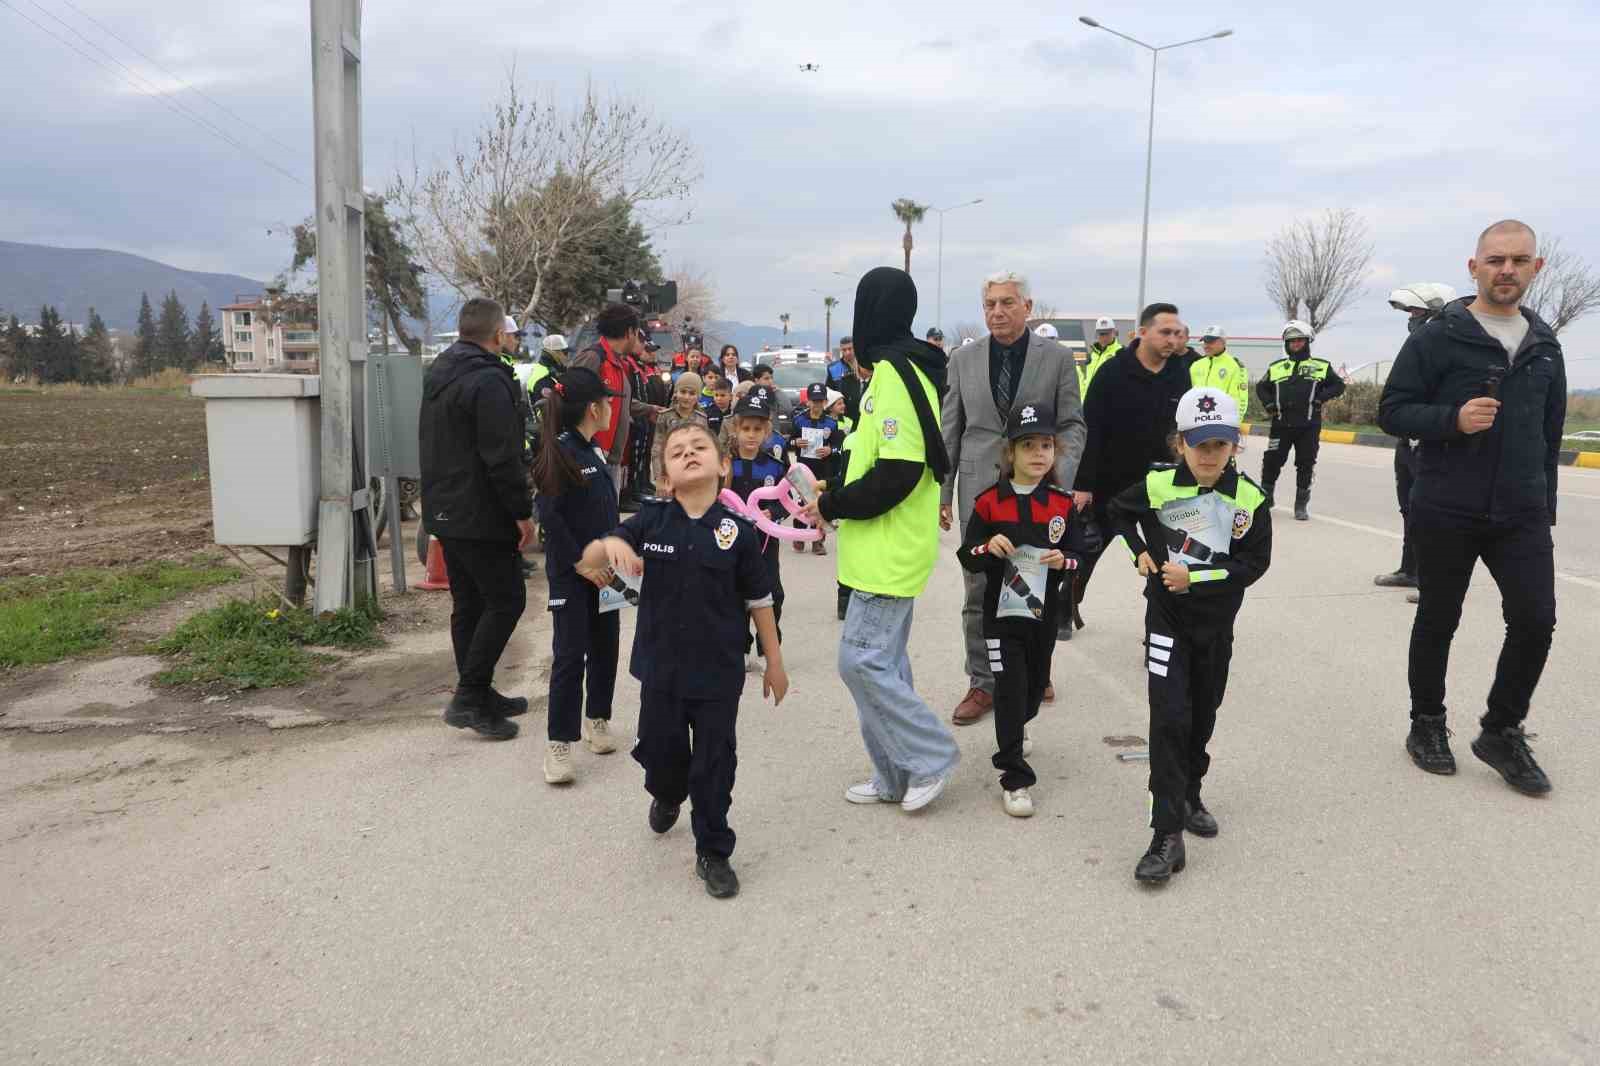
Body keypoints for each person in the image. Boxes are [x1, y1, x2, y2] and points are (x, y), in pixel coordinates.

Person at [1379, 219, 1563, 797]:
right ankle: (1426, 723)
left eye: (1519, 260)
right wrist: (1452, 421)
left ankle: (1502, 730)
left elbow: (1550, 434)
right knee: (1439, 617)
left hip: (1520, 510)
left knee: (1535, 621)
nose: (1506, 269)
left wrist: (1544, 504)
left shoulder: (1545, 343)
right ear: (1474, 267)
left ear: (1537, 269)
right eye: (1495, 260)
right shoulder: (1439, 334)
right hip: (1447, 504)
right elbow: (1394, 411)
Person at [579, 421, 788, 899]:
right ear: (665, 477)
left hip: (718, 674)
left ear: (723, 466)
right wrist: (608, 561)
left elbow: (760, 602)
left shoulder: (739, 533)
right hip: (660, 671)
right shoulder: (649, 522)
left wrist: (773, 662)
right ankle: (667, 792)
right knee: (661, 752)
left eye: (700, 447)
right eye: (677, 451)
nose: (690, 453)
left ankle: (713, 850)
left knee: (715, 764)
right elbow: (598, 558)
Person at [803, 267, 959, 814]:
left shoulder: (895, 373)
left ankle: (931, 755)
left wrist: (833, 504)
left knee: (861, 662)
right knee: (885, 664)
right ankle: (892, 772)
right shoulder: (896, 371)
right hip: (879, 547)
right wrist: (832, 485)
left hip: (889, 551)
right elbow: (875, 454)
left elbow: (899, 472)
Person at [1107, 387, 1272, 884]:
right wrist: (1137, 551)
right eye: (1198, 445)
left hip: (1216, 627)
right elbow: (1118, 511)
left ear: (1234, 447)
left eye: (1219, 446)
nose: (1208, 456)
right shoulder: (1158, 485)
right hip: (1167, 623)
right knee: (1168, 717)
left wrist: (1196, 578)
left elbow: (1254, 564)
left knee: (1202, 714)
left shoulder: (1248, 498)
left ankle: (1190, 793)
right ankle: (1166, 832)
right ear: (1180, 443)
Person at [940, 271, 1086, 726]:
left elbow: (1072, 425)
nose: (997, 312)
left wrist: (1057, 475)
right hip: (979, 484)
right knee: (979, 583)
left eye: (1006, 302)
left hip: (1040, 488)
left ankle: (1034, 670)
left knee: (1037, 577)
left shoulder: (1058, 359)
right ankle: (982, 683)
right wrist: (944, 492)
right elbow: (952, 426)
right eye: (989, 305)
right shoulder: (963, 359)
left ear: (1027, 305)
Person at [956, 404, 1081, 818]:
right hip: (1000, 619)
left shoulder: (1062, 504)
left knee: (1033, 689)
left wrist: (1066, 561)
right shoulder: (990, 503)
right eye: (1028, 446)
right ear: (1010, 453)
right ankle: (1014, 777)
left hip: (1042, 618)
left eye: (1046, 445)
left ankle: (1017, 724)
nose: (1039, 454)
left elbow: (1082, 550)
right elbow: (968, 555)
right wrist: (986, 547)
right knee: (1008, 691)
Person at [419, 297, 534, 741]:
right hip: (480, 511)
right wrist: (522, 513)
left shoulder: (441, 371)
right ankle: (469, 697)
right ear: (496, 335)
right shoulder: (489, 380)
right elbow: (501, 458)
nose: (510, 337)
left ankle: (480, 692)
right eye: (507, 330)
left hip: (444, 508)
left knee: (469, 604)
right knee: (507, 600)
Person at [1071, 303, 1194, 634]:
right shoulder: (1112, 374)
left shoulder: (1179, 373)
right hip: (1110, 484)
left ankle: (1160, 630)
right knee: (1084, 554)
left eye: (1177, 332)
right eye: (1164, 332)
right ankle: (1066, 603)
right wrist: (1083, 485)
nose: (1173, 339)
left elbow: (1182, 431)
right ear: (1142, 333)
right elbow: (1091, 430)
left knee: (1164, 560)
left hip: (1159, 487)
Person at [531, 367, 623, 784]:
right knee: (570, 657)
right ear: (593, 407)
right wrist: (582, 564)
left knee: (606, 648)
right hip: (573, 575)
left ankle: (597, 720)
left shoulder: (594, 452)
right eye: (606, 401)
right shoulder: (562, 452)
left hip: (608, 574)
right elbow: (550, 518)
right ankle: (559, 745)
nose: (610, 407)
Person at [1376, 284, 1457, 593]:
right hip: (1408, 441)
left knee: (1434, 512)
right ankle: (1410, 570)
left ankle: (1435, 579)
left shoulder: (1450, 349)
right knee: (1409, 508)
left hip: (1434, 442)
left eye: (1417, 312)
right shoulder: (1417, 347)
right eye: (1409, 313)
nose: (1412, 318)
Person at [1256, 320, 1345, 520]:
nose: (1295, 344)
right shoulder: (1277, 367)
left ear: (1307, 342)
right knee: (1271, 461)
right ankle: (1266, 498)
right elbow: (1261, 388)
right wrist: (1269, 404)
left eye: (1299, 341)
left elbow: (1338, 386)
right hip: (1280, 425)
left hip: (1308, 426)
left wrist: (1321, 398)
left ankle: (1301, 505)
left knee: (1305, 464)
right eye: (1291, 341)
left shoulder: (1320, 366)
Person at [572, 303, 662, 501]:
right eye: (637, 333)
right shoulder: (593, 358)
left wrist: (649, 410)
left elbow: (623, 403)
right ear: (629, 332)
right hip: (591, 460)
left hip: (612, 461)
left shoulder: (619, 363)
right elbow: (569, 400)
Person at [726, 385, 788, 670]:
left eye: (757, 429)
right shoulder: (726, 464)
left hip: (765, 541)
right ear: (736, 429)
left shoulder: (774, 466)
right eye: (746, 428)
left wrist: (771, 512)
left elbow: (788, 500)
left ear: (766, 432)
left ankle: (768, 648)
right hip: (731, 543)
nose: (751, 435)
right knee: (735, 596)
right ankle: (739, 648)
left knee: (772, 593)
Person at [789, 381, 840, 556]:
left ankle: (818, 540)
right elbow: (790, 441)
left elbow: (838, 446)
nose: (817, 405)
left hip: (823, 469)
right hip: (803, 467)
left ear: (825, 402)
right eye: (814, 401)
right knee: (802, 501)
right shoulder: (798, 420)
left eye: (820, 401)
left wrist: (829, 450)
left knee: (820, 502)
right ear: (807, 401)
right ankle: (800, 536)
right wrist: (796, 442)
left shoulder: (832, 424)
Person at [651, 372, 709, 489]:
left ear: (698, 396)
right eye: (683, 392)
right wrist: (660, 477)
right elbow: (657, 449)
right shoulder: (665, 417)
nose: (687, 397)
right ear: (676, 393)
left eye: (692, 393)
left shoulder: (702, 420)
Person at [1190, 326, 1250, 414]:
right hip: (1199, 420)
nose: (1206, 345)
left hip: (1223, 421)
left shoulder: (1235, 365)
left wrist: (1235, 423)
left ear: (1223, 342)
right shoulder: (1196, 365)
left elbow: (1242, 398)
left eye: (1210, 342)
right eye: (1205, 342)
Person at [826, 335, 863, 425]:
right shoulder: (833, 368)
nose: (847, 352)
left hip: (862, 414)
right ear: (841, 350)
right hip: (843, 416)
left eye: (850, 349)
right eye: (844, 350)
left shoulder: (864, 365)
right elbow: (829, 393)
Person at [1084, 315, 1121, 392]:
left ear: (1114, 333)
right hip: (1088, 401)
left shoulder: (1121, 353)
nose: (1104, 337)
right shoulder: (1093, 354)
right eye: (1101, 334)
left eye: (1107, 333)